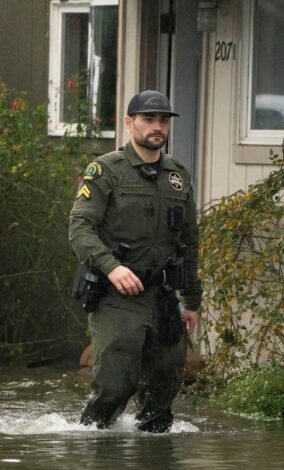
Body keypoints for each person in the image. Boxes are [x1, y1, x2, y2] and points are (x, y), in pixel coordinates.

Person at [69, 90, 202, 433]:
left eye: (163, 120)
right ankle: (93, 442)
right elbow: (80, 228)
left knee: (165, 383)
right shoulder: (105, 170)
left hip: (162, 295)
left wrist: (192, 301)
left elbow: (189, 242)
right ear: (130, 123)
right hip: (117, 295)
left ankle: (151, 454)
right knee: (115, 383)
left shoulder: (178, 176)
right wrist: (112, 267)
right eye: (148, 119)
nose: (157, 127)